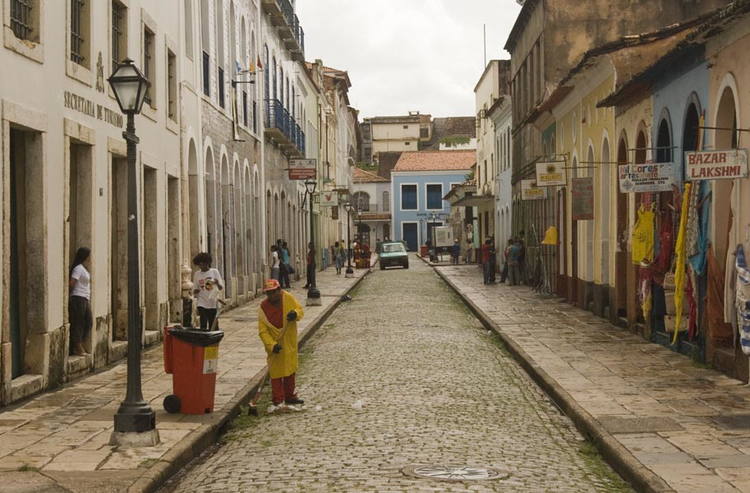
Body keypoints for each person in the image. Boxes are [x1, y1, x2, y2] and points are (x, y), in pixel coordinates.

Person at [258, 279, 305, 413]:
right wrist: (271, 345)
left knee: (290, 368)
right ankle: (278, 399)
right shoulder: (263, 308)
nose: (272, 296)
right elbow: (262, 331)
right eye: (269, 294)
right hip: (275, 343)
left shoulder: (288, 298)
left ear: (279, 290)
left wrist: (294, 314)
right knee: (276, 372)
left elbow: (300, 310)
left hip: (288, 340)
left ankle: (290, 396)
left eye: (274, 292)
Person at [69, 247, 92, 356]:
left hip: (85, 298)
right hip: (78, 297)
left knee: (88, 322)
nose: (90, 257)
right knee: (79, 322)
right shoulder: (78, 268)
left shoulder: (83, 268)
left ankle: (78, 344)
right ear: (85, 256)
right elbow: (72, 282)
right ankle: (78, 347)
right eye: (89, 255)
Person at [192, 252, 224, 330]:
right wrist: (196, 291)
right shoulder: (197, 274)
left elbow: (220, 288)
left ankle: (214, 339)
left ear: (208, 263)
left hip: (213, 302)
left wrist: (216, 283)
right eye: (200, 265)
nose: (201, 267)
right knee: (203, 323)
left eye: (203, 264)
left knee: (213, 325)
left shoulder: (214, 272)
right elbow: (195, 289)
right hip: (201, 302)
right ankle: (203, 339)